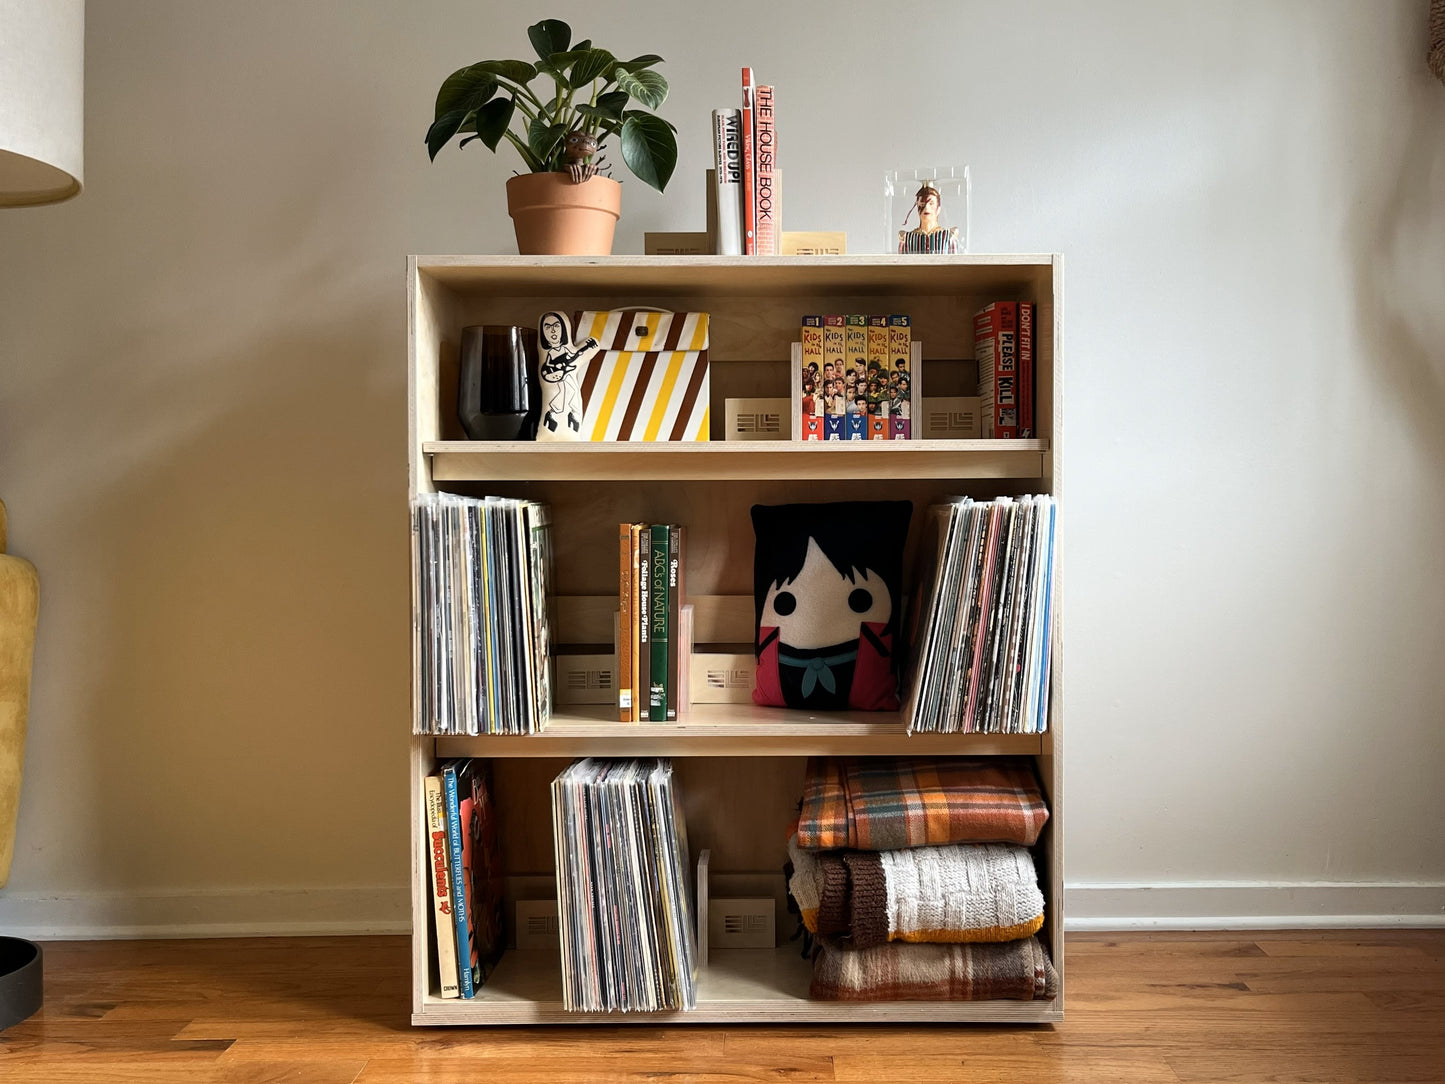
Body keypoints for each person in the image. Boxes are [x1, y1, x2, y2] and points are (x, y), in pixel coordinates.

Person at [536, 311, 598, 440]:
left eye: (556, 326)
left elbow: (572, 359)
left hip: (565, 376)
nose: (553, 331)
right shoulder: (550, 352)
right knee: (562, 393)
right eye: (548, 327)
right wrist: (555, 370)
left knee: (572, 392)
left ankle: (568, 417)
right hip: (557, 377)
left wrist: (586, 349)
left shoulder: (565, 349)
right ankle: (552, 416)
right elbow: (548, 367)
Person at [898, 182, 960, 254]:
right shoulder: (907, 238)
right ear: (917, 208)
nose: (926, 208)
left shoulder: (948, 236)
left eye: (931, 204)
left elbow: (954, 260)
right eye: (922, 204)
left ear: (938, 209)